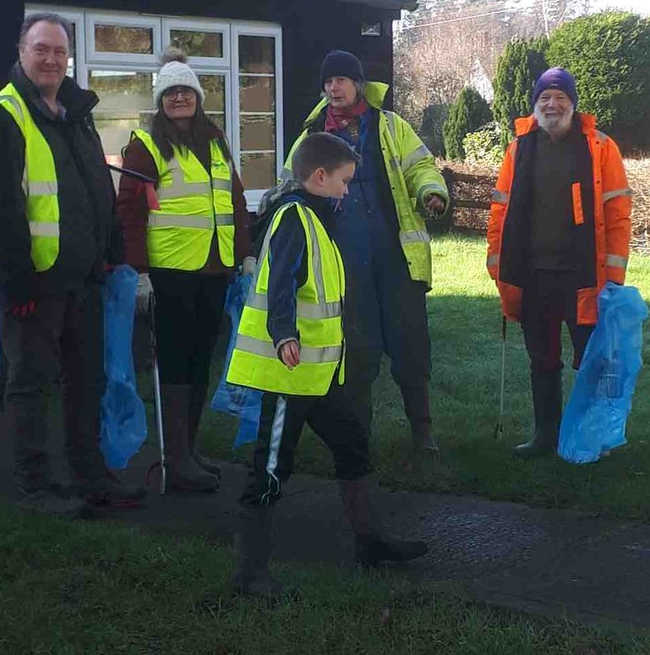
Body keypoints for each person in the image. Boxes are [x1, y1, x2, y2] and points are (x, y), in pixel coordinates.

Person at [228, 132, 429, 600]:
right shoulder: (295, 218)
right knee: (271, 467)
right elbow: (281, 280)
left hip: (317, 375)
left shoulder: (315, 216)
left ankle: (370, 543)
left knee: (353, 444)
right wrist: (284, 333)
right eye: (344, 181)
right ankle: (250, 575)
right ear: (320, 177)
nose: (347, 191)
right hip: (288, 374)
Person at [0, 12, 146, 514]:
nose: (51, 59)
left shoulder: (76, 111)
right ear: (21, 53)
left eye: (59, 51)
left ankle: (89, 475)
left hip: (84, 277)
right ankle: (37, 487)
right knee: (30, 385)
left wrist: (111, 254)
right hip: (32, 285)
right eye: (41, 49)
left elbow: (97, 188)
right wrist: (16, 284)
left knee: (85, 381)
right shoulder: (1, 118)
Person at [283, 50, 448, 458]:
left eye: (341, 80)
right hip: (344, 267)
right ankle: (360, 440)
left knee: (410, 346)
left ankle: (423, 434)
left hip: (396, 261)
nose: (333, 88)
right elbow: (288, 186)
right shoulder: (312, 137)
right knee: (357, 353)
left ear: (358, 84)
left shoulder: (390, 125)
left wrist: (431, 191)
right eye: (328, 82)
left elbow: (420, 167)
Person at [115, 46, 253, 492]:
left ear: (198, 97)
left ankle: (189, 452)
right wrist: (139, 272)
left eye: (186, 91)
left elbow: (235, 201)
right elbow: (129, 212)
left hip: (215, 270)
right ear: (160, 100)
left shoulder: (215, 142)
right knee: (175, 364)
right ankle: (175, 460)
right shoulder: (146, 146)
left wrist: (245, 254)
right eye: (170, 93)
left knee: (199, 361)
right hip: (170, 273)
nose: (179, 98)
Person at [487, 68, 633, 456]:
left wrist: (614, 276)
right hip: (532, 273)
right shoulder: (519, 147)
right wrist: (497, 263)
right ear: (535, 104)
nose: (552, 105)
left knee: (592, 360)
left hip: (584, 274)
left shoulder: (600, 147)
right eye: (545, 98)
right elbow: (500, 209)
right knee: (542, 359)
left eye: (560, 98)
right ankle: (545, 436)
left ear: (573, 104)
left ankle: (591, 439)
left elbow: (618, 213)